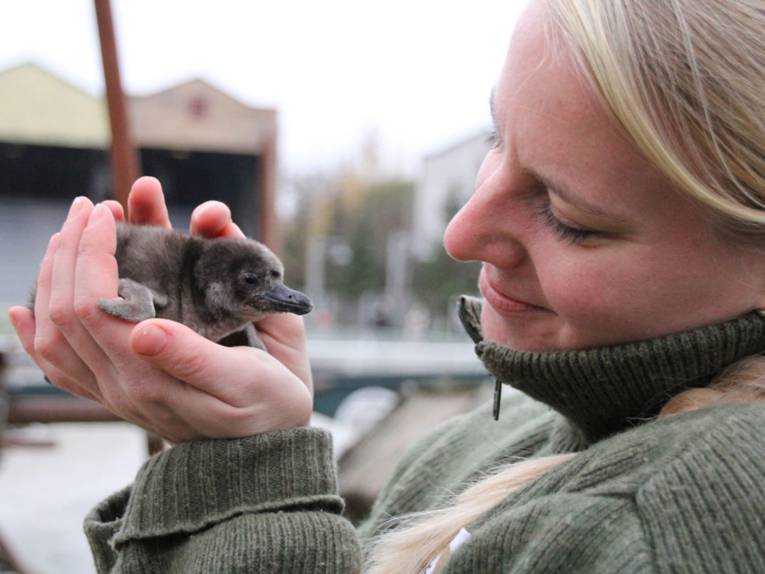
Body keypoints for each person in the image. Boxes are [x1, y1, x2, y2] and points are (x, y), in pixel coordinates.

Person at [8, 0, 765, 571]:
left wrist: (237, 471)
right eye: (496, 138)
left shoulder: (651, 535)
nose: (459, 233)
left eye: (568, 215)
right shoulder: (491, 431)